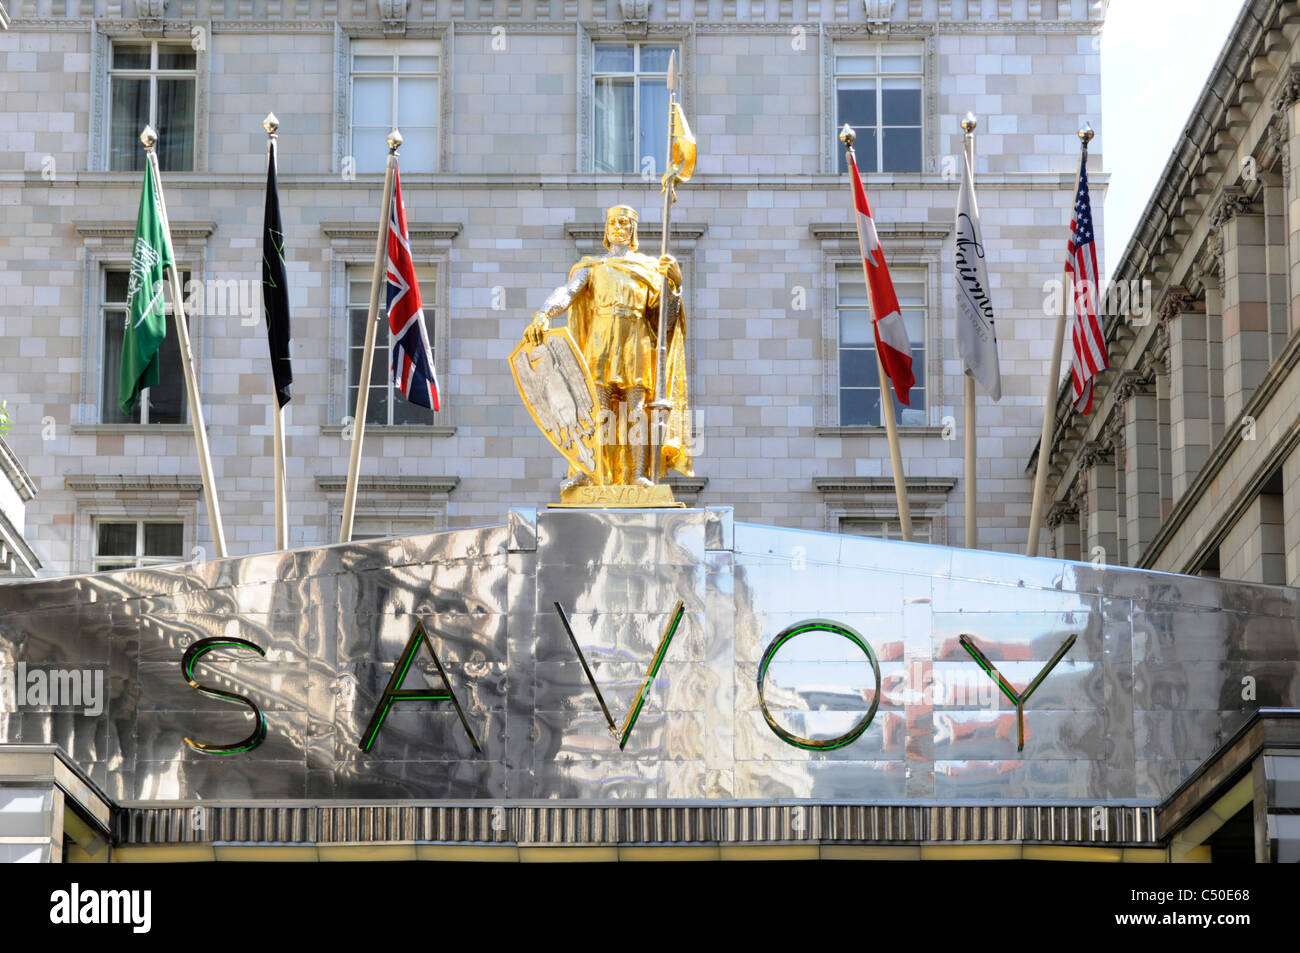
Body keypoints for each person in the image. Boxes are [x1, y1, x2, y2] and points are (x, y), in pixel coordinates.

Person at [525, 204, 692, 489]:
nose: (618, 227)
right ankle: (588, 471)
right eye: (613, 222)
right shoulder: (592, 267)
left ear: (633, 230)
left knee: (636, 409)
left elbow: (665, 321)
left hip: (635, 339)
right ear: (606, 229)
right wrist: (544, 313)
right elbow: (567, 292)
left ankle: (636, 474)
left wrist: (674, 285)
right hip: (600, 341)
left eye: (625, 223)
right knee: (595, 408)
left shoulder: (650, 270)